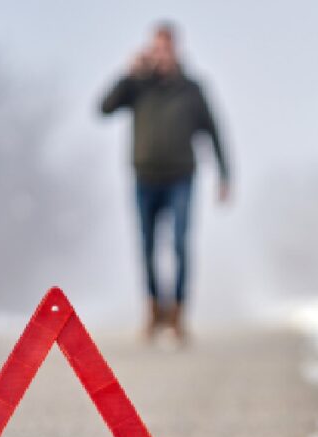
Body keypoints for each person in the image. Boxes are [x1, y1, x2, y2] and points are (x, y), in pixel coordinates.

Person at [100, 22, 231, 342]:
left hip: (181, 177)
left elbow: (213, 131)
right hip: (144, 177)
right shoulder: (137, 86)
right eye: (155, 48)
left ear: (176, 49)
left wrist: (225, 175)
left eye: (166, 48)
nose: (161, 54)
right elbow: (104, 109)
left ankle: (178, 315)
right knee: (145, 246)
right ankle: (152, 310)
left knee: (179, 245)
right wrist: (129, 74)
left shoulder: (192, 88)